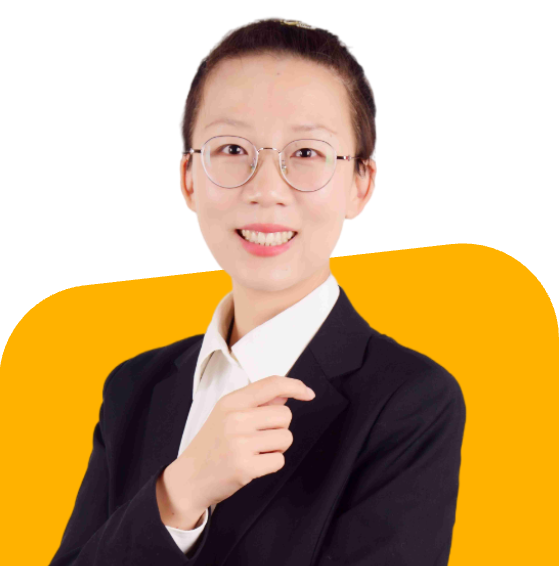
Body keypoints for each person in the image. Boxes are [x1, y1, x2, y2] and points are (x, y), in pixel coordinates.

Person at [49, 17, 466, 566]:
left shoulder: (411, 403)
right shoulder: (133, 388)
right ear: (188, 179)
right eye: (231, 149)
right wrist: (178, 495)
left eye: (307, 153)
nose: (267, 190)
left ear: (361, 183)